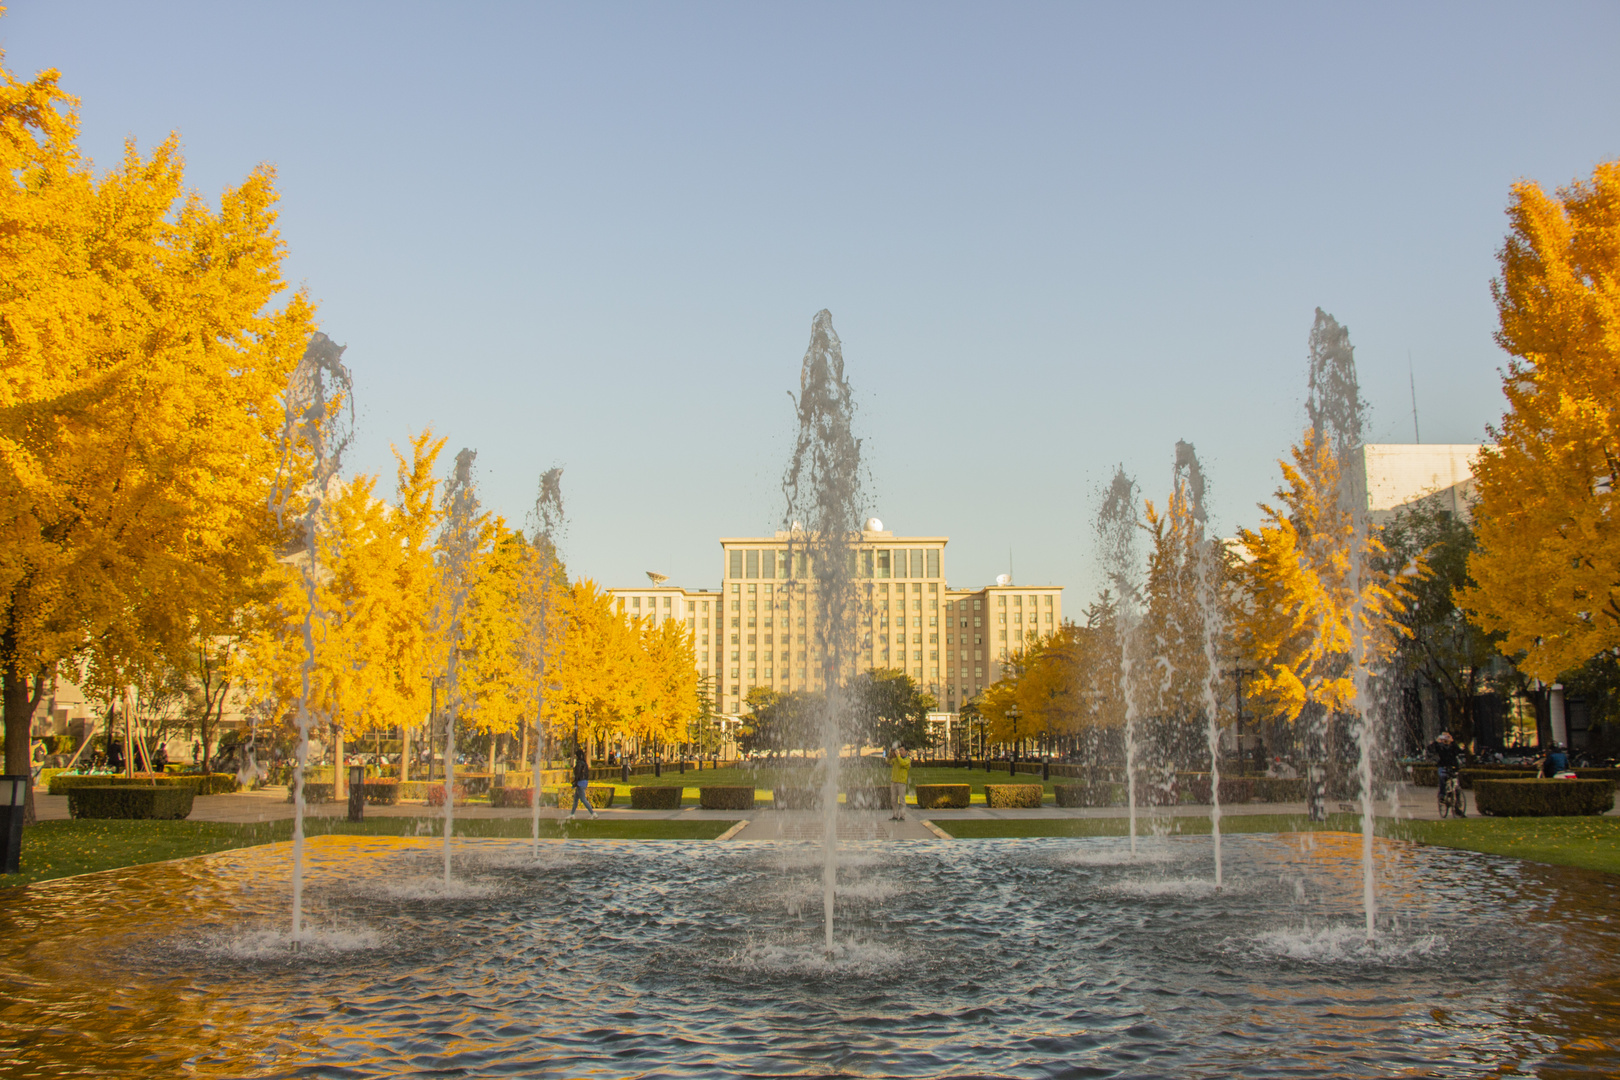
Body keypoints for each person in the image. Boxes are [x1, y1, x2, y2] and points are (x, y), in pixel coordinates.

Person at [1429, 731, 1466, 816]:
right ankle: (1442, 795)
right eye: (1444, 737)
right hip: (1443, 766)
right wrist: (1436, 742)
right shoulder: (1439, 746)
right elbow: (1430, 749)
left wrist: (1453, 742)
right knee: (1442, 777)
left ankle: (1458, 807)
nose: (1445, 739)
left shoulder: (1453, 746)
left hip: (1453, 767)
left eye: (1447, 737)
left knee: (1456, 786)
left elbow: (1459, 751)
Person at [570, 748, 598, 819]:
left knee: (583, 799)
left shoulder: (579, 763)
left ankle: (593, 813)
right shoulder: (584, 763)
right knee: (576, 799)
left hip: (580, 783)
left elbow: (578, 774)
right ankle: (572, 814)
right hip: (584, 782)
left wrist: (575, 782)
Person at [889, 743, 912, 822]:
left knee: (902, 800)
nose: (900, 751)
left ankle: (902, 816)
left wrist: (898, 756)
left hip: (901, 782)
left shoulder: (907, 760)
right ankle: (895, 815)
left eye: (902, 750)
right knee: (893, 800)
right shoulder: (896, 759)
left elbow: (902, 763)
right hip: (894, 781)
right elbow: (889, 761)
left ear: (906, 751)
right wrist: (891, 753)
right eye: (899, 750)